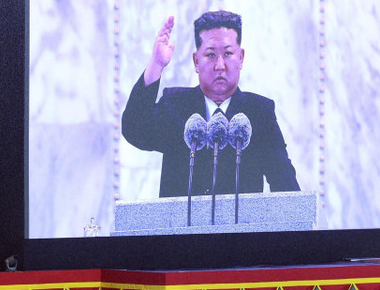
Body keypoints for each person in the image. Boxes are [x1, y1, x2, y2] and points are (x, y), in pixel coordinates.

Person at [122, 11, 300, 198]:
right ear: (196, 61)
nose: (220, 65)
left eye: (228, 54)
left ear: (241, 58)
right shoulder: (175, 104)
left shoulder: (259, 112)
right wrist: (156, 65)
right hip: (181, 226)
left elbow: (286, 185)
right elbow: (134, 129)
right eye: (211, 55)